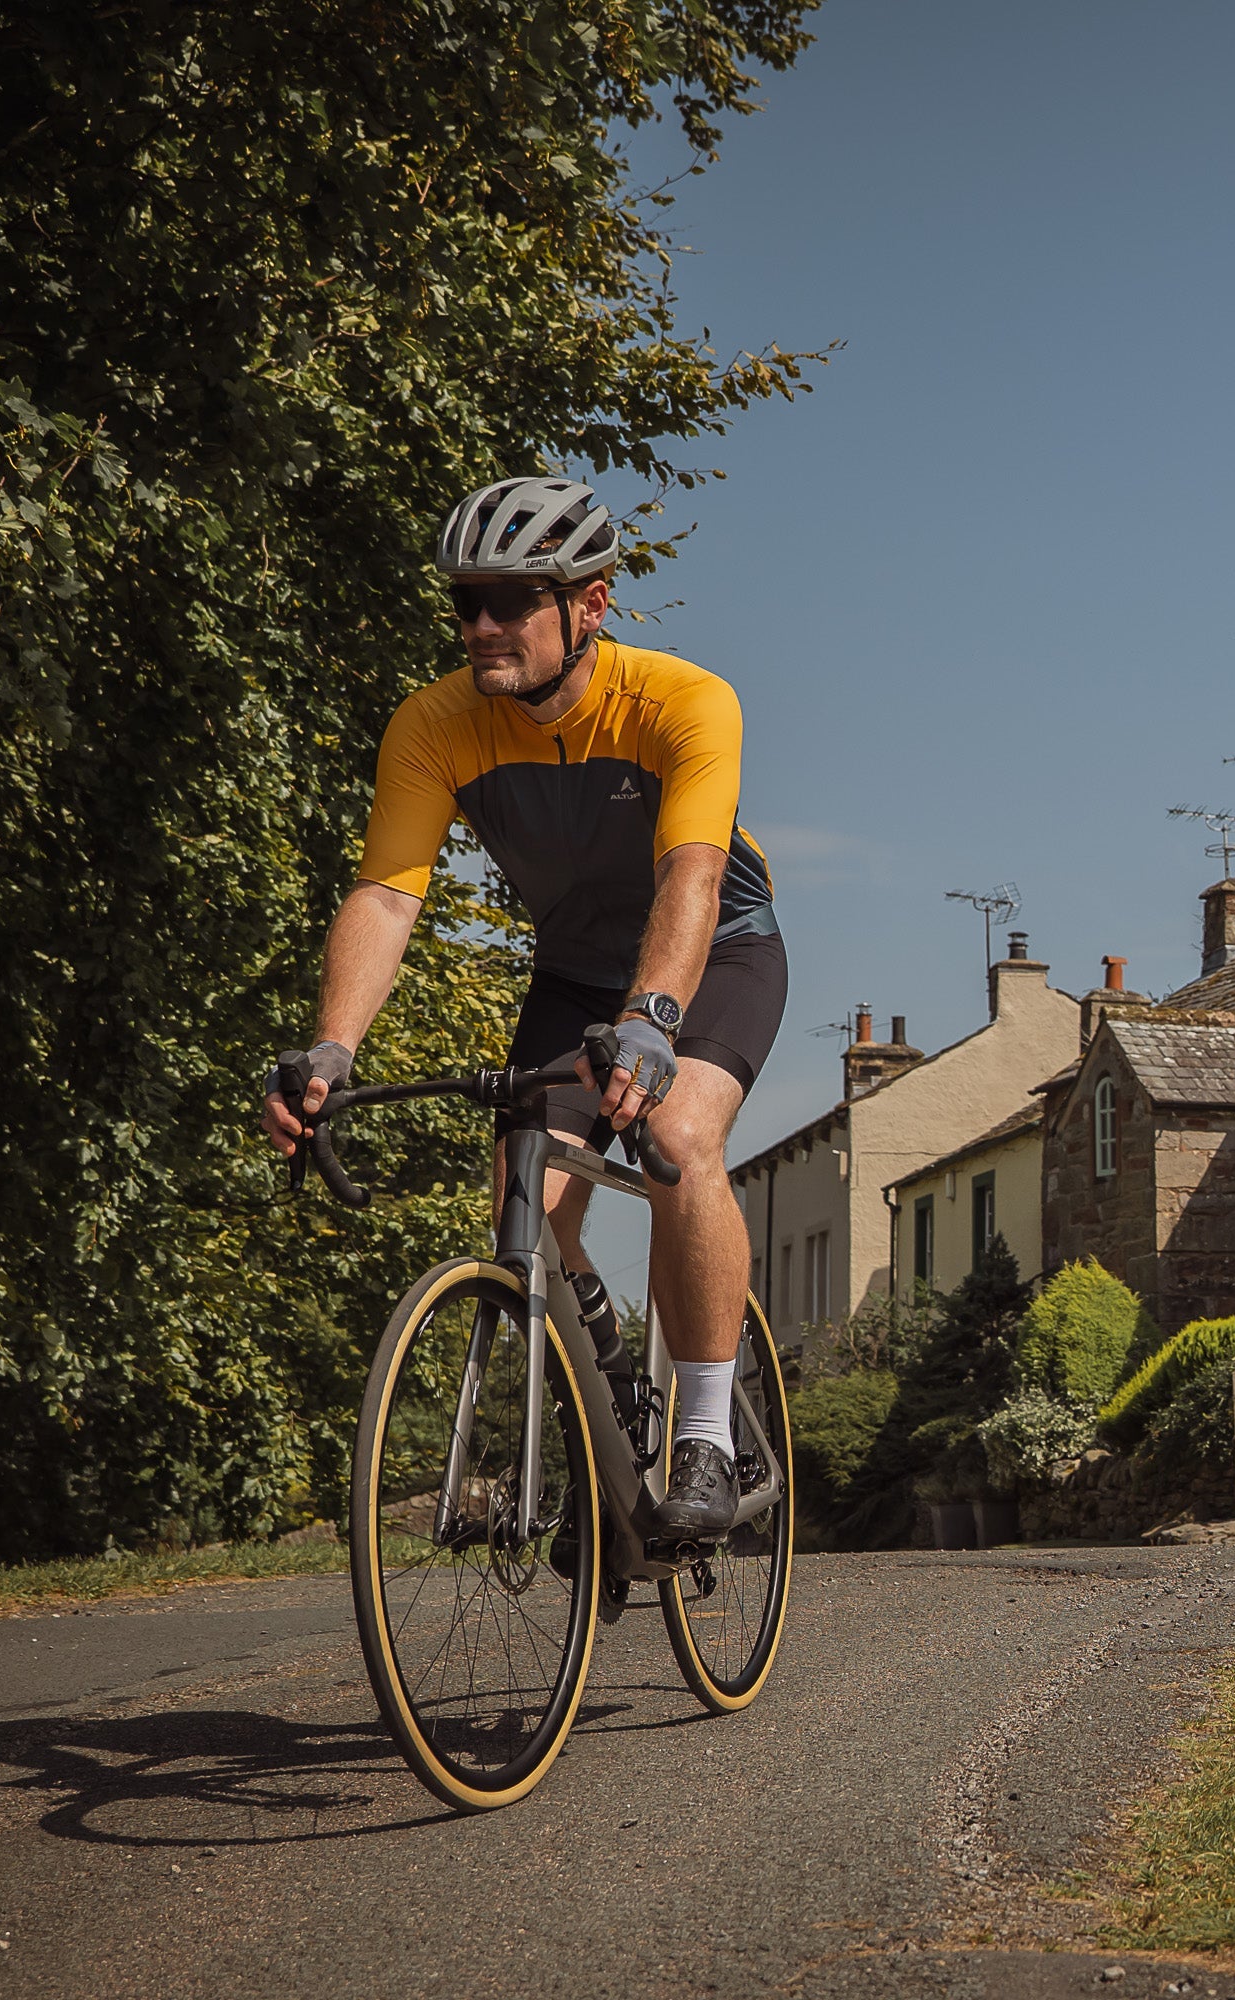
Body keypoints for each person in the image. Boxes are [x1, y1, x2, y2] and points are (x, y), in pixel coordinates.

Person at [261, 476, 783, 1544]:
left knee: (679, 1135)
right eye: (466, 601)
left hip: (714, 954)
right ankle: (605, 1404)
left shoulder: (686, 701)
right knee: (523, 1203)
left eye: (509, 596)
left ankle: (703, 1435)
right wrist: (332, 1045)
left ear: (589, 604)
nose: (483, 624)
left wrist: (654, 1014)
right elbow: (386, 892)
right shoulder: (435, 723)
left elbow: (691, 877)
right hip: (576, 973)